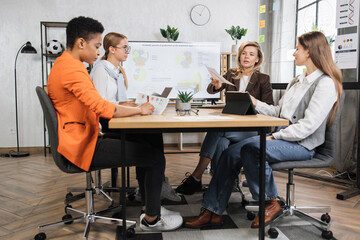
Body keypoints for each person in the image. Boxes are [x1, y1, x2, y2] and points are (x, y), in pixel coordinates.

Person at [184, 31, 342, 229]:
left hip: (302, 144)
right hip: (282, 137)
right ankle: (212, 211)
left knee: (251, 148)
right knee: (229, 152)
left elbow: (307, 127)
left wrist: (274, 136)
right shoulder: (297, 81)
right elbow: (277, 111)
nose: (294, 53)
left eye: (298, 49)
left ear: (309, 52)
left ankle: (269, 202)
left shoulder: (325, 83)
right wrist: (254, 101)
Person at [47, 16, 183, 232]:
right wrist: (139, 109)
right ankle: (152, 219)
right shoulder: (73, 70)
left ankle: (150, 205)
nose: (98, 52)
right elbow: (102, 107)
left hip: (85, 136)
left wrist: (132, 107)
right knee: (155, 158)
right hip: (83, 145)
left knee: (151, 138)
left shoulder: (67, 64)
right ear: (81, 43)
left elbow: (99, 104)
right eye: (96, 46)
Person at [90, 32, 181, 202]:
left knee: (153, 135)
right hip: (107, 123)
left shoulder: (116, 70)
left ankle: (150, 188)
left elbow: (113, 101)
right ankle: (152, 189)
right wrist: (138, 109)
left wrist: (130, 104)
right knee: (149, 138)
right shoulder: (101, 70)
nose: (128, 51)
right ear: (111, 49)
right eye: (125, 48)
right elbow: (102, 106)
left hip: (115, 117)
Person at [176, 41, 274, 195]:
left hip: (252, 130)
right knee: (221, 141)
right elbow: (211, 90)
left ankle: (196, 177)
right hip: (232, 125)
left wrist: (254, 102)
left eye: (251, 54)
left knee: (217, 130)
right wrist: (216, 85)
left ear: (257, 59)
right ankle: (221, 184)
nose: (246, 56)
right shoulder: (231, 74)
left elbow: (270, 107)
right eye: (243, 53)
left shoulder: (263, 79)